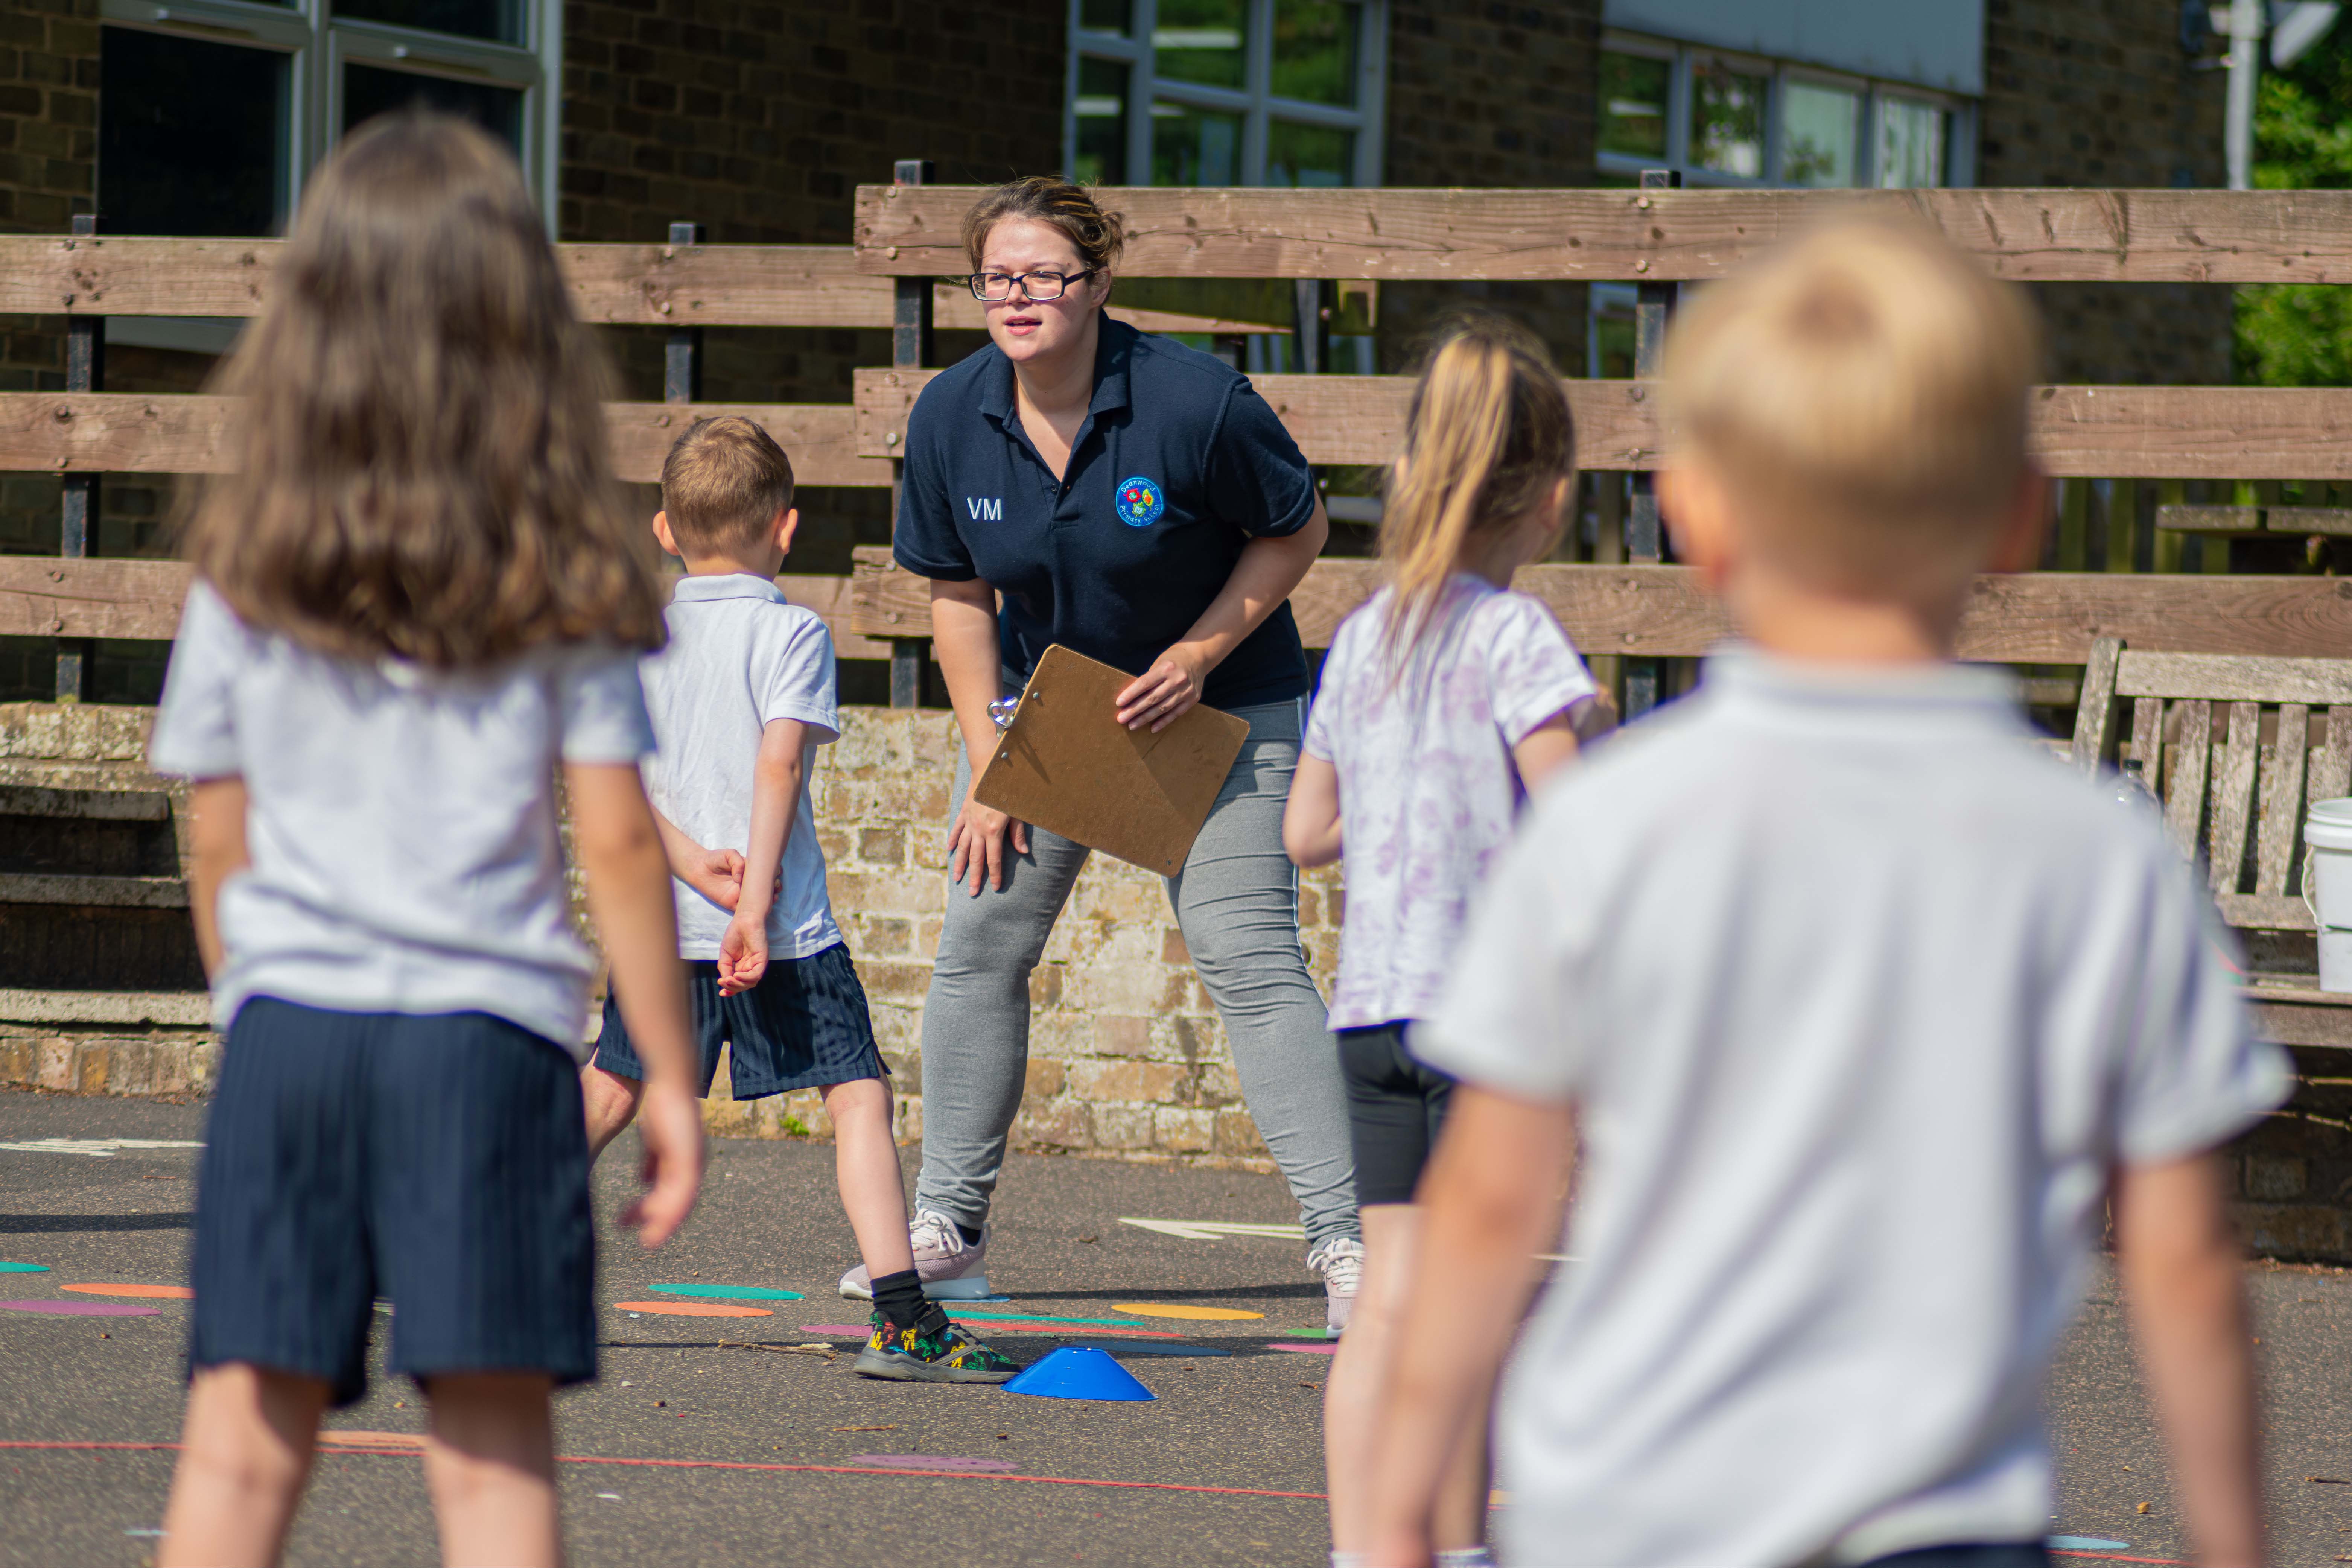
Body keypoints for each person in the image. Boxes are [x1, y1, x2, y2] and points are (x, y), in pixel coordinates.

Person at [1365, 222, 2286, 1568]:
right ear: (2021, 515)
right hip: (1943, 1522)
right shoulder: (2101, 849)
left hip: (1619, 1513)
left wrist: (1396, 1521)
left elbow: (1490, 1209)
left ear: (1695, 512)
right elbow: (2186, 1253)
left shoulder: (1609, 824)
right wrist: (2232, 1539)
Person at [149, 115, 705, 1568]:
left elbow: (219, 835)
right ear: (519, 319)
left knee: (242, 1437)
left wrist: (248, 1002)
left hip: (296, 1028)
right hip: (490, 1041)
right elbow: (621, 845)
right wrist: (667, 1074)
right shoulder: (567, 568)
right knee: (491, 1449)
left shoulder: (244, 568)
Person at [871, 175, 1363, 1328]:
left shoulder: (1196, 402)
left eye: (1044, 274)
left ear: (1097, 283)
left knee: (1248, 958)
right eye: (998, 276)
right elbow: (958, 597)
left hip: (1224, 707)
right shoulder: (951, 412)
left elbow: (1296, 531)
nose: (1018, 296)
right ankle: (947, 1234)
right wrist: (992, 759)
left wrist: (1197, 656)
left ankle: (1351, 1251)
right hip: (1051, 713)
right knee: (980, 945)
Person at [578, 415, 1019, 1384]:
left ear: (661, 529)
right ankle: (904, 1317)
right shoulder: (790, 631)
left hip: (667, 919)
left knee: (610, 1088)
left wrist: (692, 863)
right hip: (782, 927)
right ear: (787, 527)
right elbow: (777, 764)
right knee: (857, 1095)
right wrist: (753, 901)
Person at [1284, 318, 1600, 1568]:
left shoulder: (1367, 634)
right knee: (1467, 1321)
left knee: (1387, 1315)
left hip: (1370, 1019)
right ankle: (1458, 1547)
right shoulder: (1518, 638)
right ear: (1555, 496)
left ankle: (1369, 1550)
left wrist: (1409, 786)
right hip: (1488, 1023)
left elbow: (1308, 827)